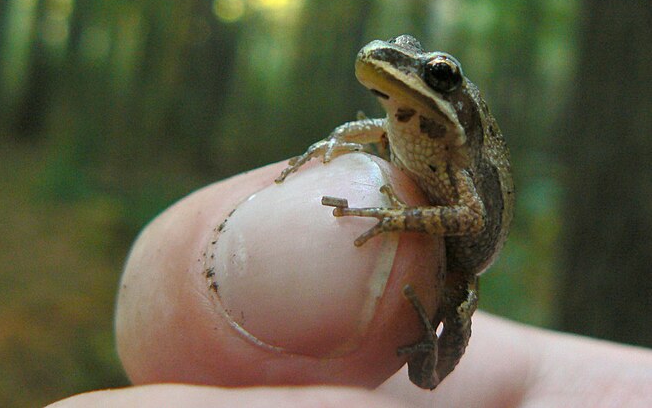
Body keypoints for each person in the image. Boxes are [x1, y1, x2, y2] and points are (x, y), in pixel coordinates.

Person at [48, 155, 652, 407]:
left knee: (437, 349)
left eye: (437, 74)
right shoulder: (405, 128)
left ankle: (424, 346)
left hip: (460, 268)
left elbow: (471, 217)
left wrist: (397, 218)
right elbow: (375, 135)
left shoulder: (455, 149)